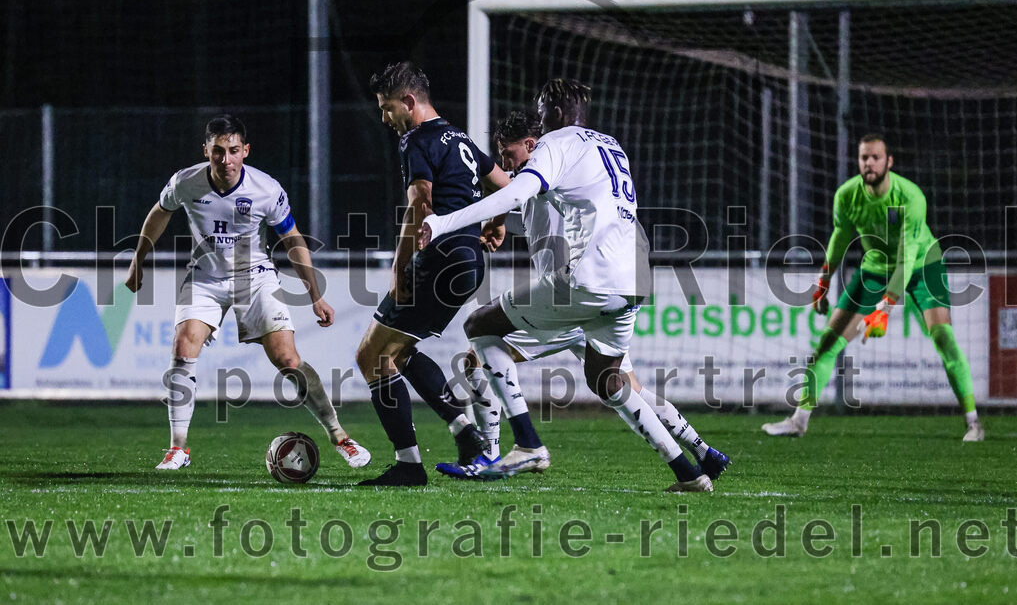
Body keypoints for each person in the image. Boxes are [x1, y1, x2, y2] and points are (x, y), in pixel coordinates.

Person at [419, 79, 721, 493]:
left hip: (586, 283)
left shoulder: (555, 145)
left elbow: (518, 193)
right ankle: (691, 470)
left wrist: (443, 223)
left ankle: (520, 445)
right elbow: (545, 205)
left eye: (542, 111)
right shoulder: (609, 145)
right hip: (633, 280)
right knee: (611, 382)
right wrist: (499, 219)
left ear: (554, 112)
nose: (539, 120)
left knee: (479, 327)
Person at [125, 114, 371, 470]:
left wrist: (315, 295)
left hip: (255, 277)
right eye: (218, 151)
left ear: (246, 151)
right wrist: (138, 260)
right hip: (206, 276)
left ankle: (340, 436)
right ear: (206, 150)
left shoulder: (265, 189)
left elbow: (292, 239)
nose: (226, 159)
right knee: (182, 346)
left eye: (233, 150)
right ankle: (178, 448)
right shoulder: (186, 182)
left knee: (287, 360)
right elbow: (159, 213)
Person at [762, 134, 983, 441]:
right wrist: (823, 281)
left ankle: (973, 423)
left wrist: (884, 308)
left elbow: (906, 258)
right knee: (828, 342)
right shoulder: (847, 195)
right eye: (864, 157)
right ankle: (798, 421)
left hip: (923, 265)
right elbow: (840, 237)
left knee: (943, 337)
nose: (869, 163)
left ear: (889, 162)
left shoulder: (910, 197)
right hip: (876, 269)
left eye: (875, 157)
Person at [355, 62, 511, 487]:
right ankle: (466, 435)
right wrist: (496, 221)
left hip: (439, 258)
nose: (384, 118)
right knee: (398, 353)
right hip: (469, 263)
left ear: (409, 102)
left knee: (371, 357)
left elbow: (421, 202)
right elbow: (508, 185)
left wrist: (399, 266)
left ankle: (410, 465)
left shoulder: (415, 140)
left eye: (387, 108)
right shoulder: (460, 138)